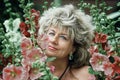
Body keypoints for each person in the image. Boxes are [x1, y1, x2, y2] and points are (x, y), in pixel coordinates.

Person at [38, 4, 95, 80]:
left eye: (63, 37)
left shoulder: (84, 75)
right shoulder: (28, 71)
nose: (54, 40)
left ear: (74, 47)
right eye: (52, 33)